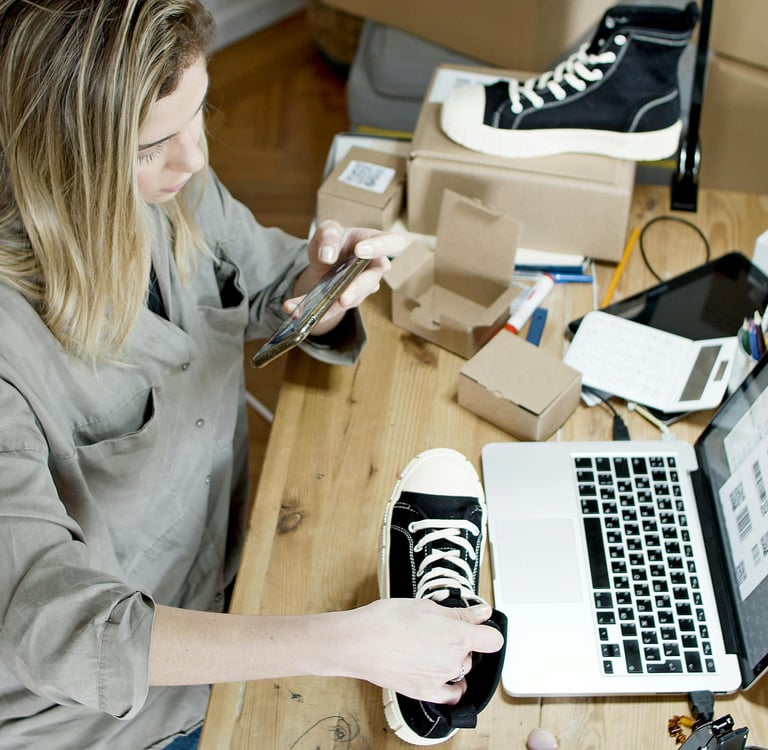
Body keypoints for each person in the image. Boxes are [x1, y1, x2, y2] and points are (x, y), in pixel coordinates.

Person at [0, 2, 504, 748]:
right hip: (107, 718)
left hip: (230, 583)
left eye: (196, 116)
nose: (193, 160)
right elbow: (60, 632)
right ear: (59, 154)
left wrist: (320, 289)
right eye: (151, 146)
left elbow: (261, 278)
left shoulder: (167, 187)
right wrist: (346, 642)